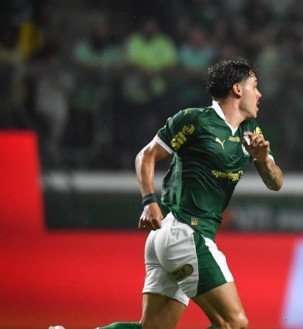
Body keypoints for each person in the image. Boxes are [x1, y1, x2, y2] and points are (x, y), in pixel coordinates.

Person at [94, 58, 281, 329]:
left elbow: (276, 183)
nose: (260, 93)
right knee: (234, 324)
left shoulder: (250, 132)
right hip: (185, 231)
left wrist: (263, 159)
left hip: (169, 238)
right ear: (237, 90)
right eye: (255, 86)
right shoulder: (195, 120)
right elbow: (145, 156)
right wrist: (149, 202)